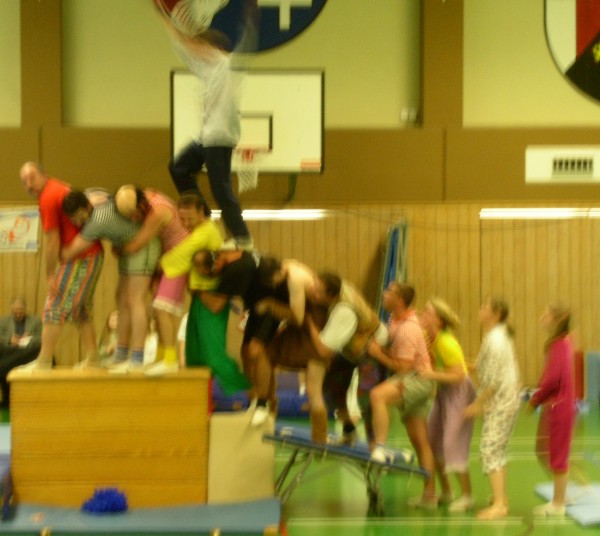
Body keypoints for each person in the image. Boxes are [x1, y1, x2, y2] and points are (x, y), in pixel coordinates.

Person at [154, 0, 255, 250]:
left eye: (203, 47)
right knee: (178, 167)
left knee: (220, 188)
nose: (197, 51)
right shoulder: (206, 69)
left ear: (216, 49)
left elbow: (246, 44)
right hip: (207, 136)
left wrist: (250, 21)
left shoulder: (227, 65)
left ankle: (242, 237)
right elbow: (183, 47)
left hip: (221, 136)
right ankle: (205, 217)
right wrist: (165, 20)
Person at [61, 190, 162, 369]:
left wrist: (53, 243)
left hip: (144, 245)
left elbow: (69, 253)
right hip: (127, 246)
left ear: (87, 207)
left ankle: (137, 357)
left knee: (135, 299)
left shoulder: (97, 221)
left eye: (79, 217)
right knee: (121, 299)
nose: (77, 223)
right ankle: (121, 354)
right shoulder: (92, 198)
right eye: (72, 219)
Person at [17, 162, 104, 370]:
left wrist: (49, 274)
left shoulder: (48, 196)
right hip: (92, 255)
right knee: (81, 310)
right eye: (24, 182)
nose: (29, 185)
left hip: (80, 258)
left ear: (44, 175)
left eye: (32, 178)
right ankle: (93, 358)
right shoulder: (58, 187)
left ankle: (44, 361)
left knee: (54, 307)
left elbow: (52, 241)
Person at [368, 282, 437, 508]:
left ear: (399, 300)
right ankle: (430, 496)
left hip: (417, 379)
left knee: (377, 396)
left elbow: (404, 368)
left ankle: (380, 447)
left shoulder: (409, 328)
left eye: (389, 292)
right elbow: (395, 351)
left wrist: (377, 354)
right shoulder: (393, 319)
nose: (384, 293)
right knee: (419, 440)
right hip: (412, 377)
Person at [113, 185, 192, 373]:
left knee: (162, 308)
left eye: (133, 215)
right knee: (157, 309)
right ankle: (161, 355)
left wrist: (119, 249)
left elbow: (137, 244)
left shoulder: (158, 211)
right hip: (167, 257)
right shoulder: (147, 196)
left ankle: (170, 360)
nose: (133, 219)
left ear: (141, 204)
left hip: (179, 257)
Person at [305, 272, 388, 444]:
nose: (313, 291)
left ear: (331, 295)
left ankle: (376, 446)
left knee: (366, 399)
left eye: (318, 291)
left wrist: (309, 324)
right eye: (314, 286)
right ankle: (349, 431)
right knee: (331, 388)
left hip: (371, 351)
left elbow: (324, 351)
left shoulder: (343, 311)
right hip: (351, 350)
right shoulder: (340, 287)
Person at [463, 296, 521, 520]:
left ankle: (499, 505)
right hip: (503, 399)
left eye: (484, 307)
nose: (480, 310)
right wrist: (458, 364)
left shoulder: (496, 339)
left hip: (502, 401)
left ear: (495, 315)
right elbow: (482, 367)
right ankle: (501, 499)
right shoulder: (495, 336)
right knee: (495, 449)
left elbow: (494, 379)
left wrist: (478, 404)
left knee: (490, 449)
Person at [419, 298, 476, 512]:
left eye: (427, 312)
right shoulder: (431, 338)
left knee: (452, 443)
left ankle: (467, 496)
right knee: (432, 439)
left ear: (438, 320)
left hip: (459, 392)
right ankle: (447, 491)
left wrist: (430, 374)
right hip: (444, 392)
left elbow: (459, 375)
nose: (422, 314)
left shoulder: (446, 342)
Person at [528, 303, 575, 517]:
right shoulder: (560, 344)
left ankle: (558, 503)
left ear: (557, 319)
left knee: (556, 455)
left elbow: (552, 379)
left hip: (559, 407)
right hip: (555, 406)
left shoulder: (561, 344)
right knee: (542, 450)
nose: (542, 317)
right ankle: (561, 493)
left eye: (546, 314)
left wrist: (535, 400)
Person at [0, 297, 43, 406]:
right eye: (16, 312)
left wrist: (29, 339)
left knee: (38, 351)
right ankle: (7, 396)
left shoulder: (35, 321)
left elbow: (42, 338)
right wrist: (10, 339)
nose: (18, 314)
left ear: (25, 309)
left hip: (28, 352)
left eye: (20, 312)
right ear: (11, 310)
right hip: (10, 351)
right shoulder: (3, 322)